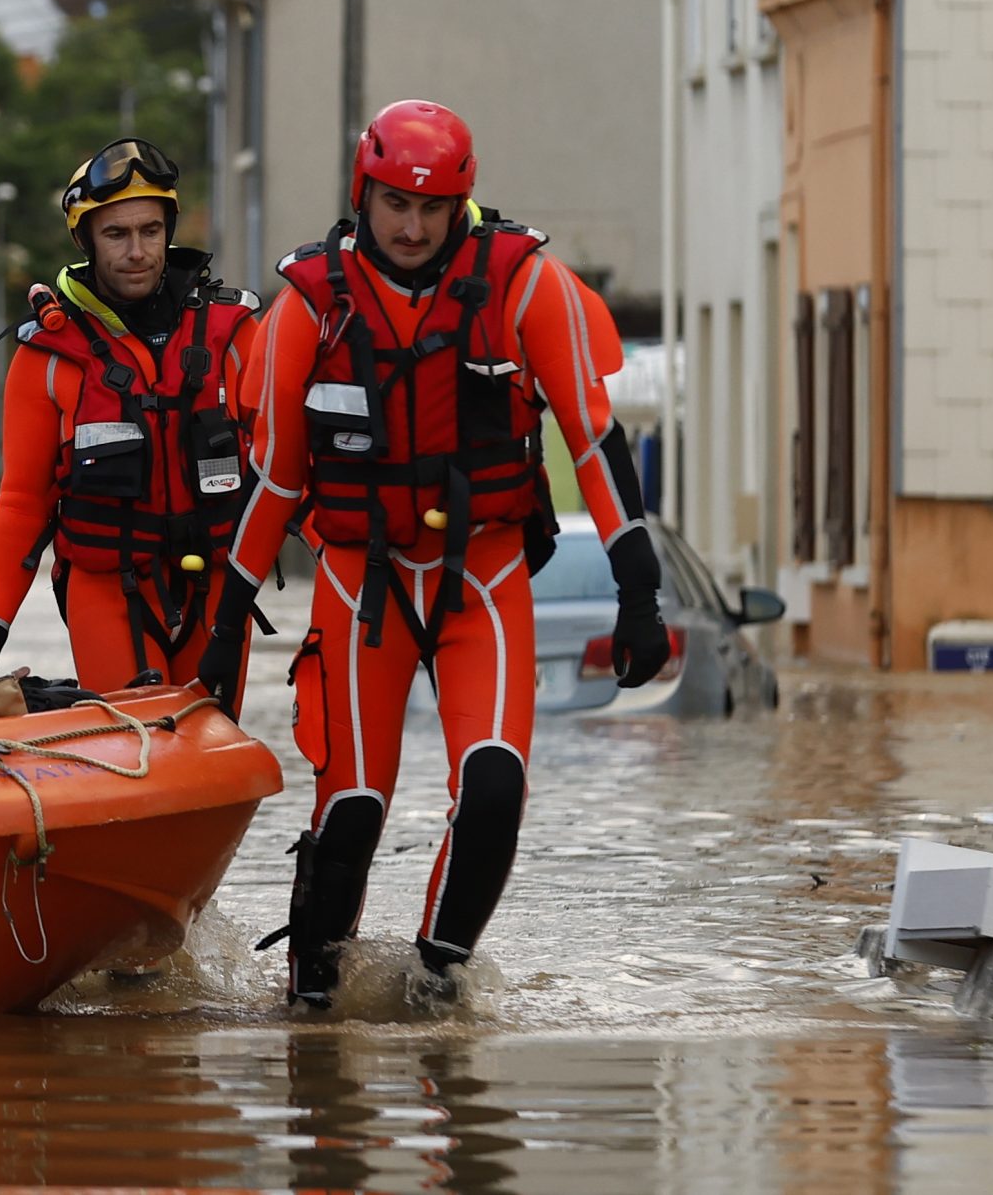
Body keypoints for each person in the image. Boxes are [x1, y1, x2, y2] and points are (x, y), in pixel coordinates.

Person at [197, 100, 671, 1008]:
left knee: (495, 788)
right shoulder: (309, 305)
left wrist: (637, 587)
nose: (412, 229)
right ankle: (312, 1005)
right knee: (352, 808)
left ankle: (435, 981)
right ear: (362, 193)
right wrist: (228, 620)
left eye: (433, 209)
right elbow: (276, 480)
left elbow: (593, 437)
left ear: (462, 206)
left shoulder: (527, 286)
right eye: (394, 206)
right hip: (358, 582)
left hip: (482, 574)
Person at [0, 138, 262, 698]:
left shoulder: (234, 333)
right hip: (108, 589)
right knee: (143, 743)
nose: (137, 251)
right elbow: (21, 503)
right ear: (87, 240)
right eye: (117, 234)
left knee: (204, 755)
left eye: (150, 231)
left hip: (215, 584)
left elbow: (285, 466)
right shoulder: (46, 356)